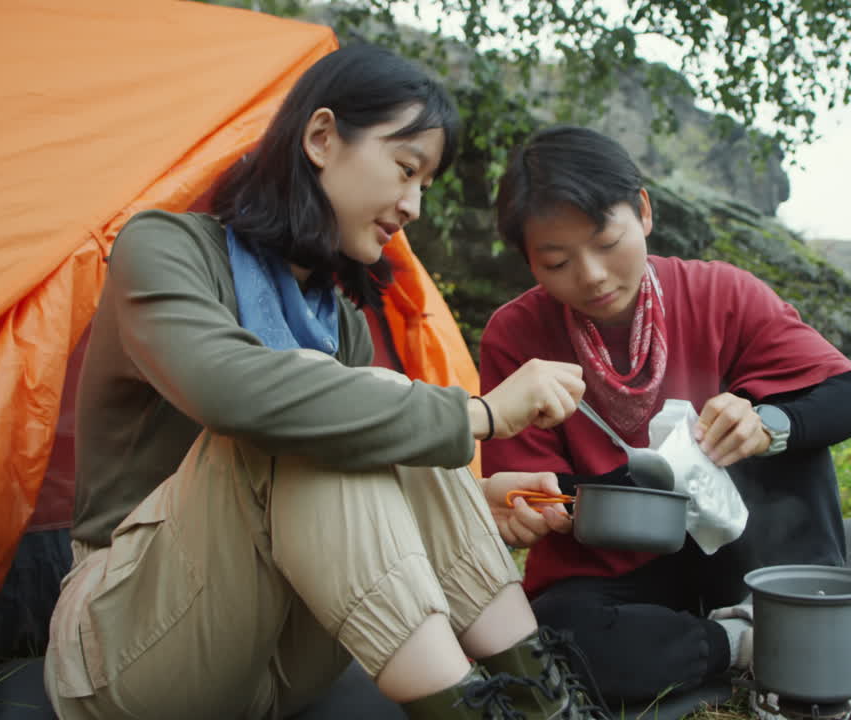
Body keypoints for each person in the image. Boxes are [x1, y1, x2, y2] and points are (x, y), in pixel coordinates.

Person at [43, 45, 609, 720]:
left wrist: (481, 499)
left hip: (279, 658)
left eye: (425, 184)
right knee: (336, 401)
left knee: (367, 411)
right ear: (320, 138)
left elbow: (341, 502)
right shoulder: (163, 251)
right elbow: (237, 394)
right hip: (129, 647)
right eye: (406, 170)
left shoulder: (341, 322)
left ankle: (548, 703)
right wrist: (480, 414)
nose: (414, 205)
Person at [477, 126, 851, 709]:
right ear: (528, 261)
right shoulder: (516, 336)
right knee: (556, 644)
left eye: (604, 241)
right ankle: (751, 643)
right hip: (615, 571)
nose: (591, 275)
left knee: (787, 439)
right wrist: (528, 508)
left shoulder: (720, 293)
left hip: (742, 552)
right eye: (557, 261)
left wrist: (767, 424)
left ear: (642, 211)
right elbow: (538, 491)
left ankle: (787, 635)